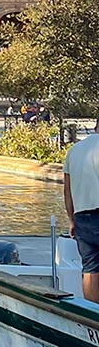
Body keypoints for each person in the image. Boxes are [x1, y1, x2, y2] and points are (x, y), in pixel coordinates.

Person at [64, 127, 99, 305]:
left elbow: (67, 190)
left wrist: (71, 220)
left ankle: (93, 315)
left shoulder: (74, 151)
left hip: (82, 217)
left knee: (90, 267)